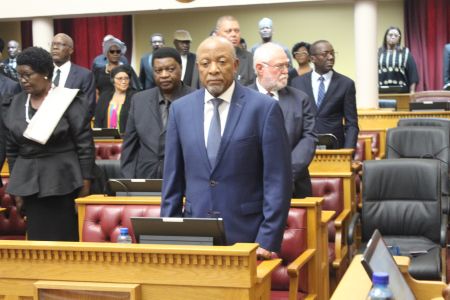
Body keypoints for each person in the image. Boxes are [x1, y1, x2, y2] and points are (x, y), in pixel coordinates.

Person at [160, 36, 292, 258]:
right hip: (194, 234)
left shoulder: (264, 108)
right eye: (205, 63)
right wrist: (169, 235)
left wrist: (267, 239)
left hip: (247, 236)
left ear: (236, 65)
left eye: (221, 61)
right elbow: (172, 180)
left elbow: (277, 181)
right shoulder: (180, 110)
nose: (213, 70)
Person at [4, 47, 95, 241]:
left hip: (63, 180)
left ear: (45, 73)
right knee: (38, 242)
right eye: (20, 76)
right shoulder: (17, 102)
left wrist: (86, 182)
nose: (23, 80)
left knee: (63, 240)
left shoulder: (67, 100)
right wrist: (17, 188)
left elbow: (84, 144)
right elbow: (12, 149)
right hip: (28, 182)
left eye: (28, 75)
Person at [250, 42, 316, 198]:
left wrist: (284, 172)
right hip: (252, 187)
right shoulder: (241, 100)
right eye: (280, 66)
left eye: (287, 66)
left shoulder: (300, 99)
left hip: (295, 185)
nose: (286, 71)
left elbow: (309, 138)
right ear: (260, 68)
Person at [121, 47, 194, 179]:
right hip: (146, 179)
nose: (164, 75)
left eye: (170, 69)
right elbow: (129, 148)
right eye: (158, 71)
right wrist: (130, 184)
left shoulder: (197, 99)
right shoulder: (139, 100)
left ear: (181, 68)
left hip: (185, 179)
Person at [291, 40, 359, 149]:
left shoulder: (346, 84)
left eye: (332, 53)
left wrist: (348, 152)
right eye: (325, 54)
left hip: (335, 148)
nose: (331, 57)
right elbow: (293, 119)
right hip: (303, 147)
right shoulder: (297, 83)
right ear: (312, 58)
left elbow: (351, 124)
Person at [51, 33, 96, 118]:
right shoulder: (44, 73)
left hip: (72, 127)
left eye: (60, 44)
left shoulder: (84, 75)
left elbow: (88, 107)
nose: (55, 47)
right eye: (53, 44)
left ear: (71, 50)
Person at [94, 65, 136, 133]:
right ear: (113, 80)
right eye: (120, 78)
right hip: (105, 139)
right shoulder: (104, 96)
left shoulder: (135, 97)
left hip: (126, 140)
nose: (124, 81)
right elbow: (97, 121)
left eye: (126, 78)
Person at [215, 15, 255, 86]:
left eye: (237, 31)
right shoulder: (207, 58)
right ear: (218, 34)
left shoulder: (250, 58)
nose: (234, 34)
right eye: (228, 31)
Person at [378, 26, 419, 93]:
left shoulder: (405, 53)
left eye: (396, 35)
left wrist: (412, 93)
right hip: (381, 92)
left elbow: (413, 75)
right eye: (390, 35)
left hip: (401, 92)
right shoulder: (378, 53)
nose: (393, 37)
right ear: (386, 36)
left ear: (399, 38)